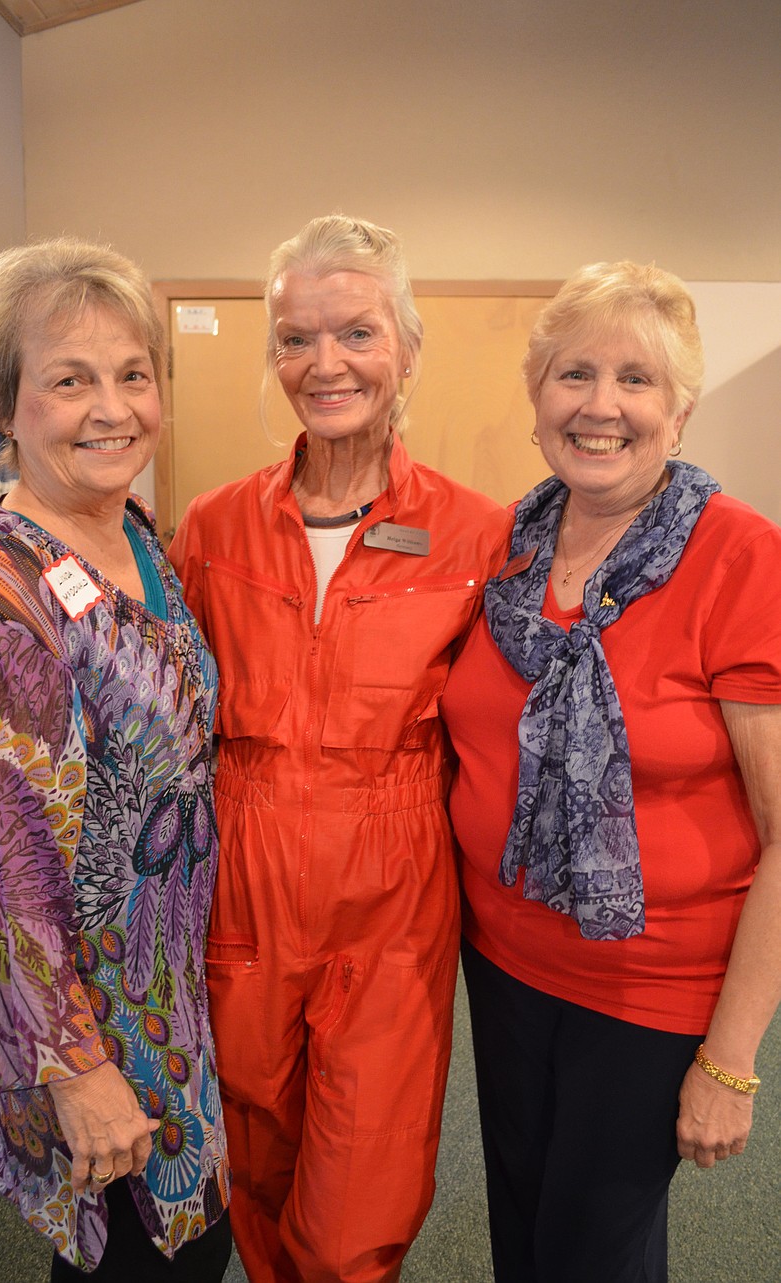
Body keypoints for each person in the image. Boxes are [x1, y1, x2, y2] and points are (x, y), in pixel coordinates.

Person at [169, 214, 511, 1283]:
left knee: (362, 1194)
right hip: (239, 885)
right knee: (252, 1165)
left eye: (356, 332)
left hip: (393, 900)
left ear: (406, 345)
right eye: (295, 338)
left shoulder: (475, 534)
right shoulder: (211, 528)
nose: (326, 365)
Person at [441, 260, 781, 1282]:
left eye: (636, 381)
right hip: (501, 963)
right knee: (525, 1226)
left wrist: (730, 1059)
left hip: (652, 985)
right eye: (573, 373)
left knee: (591, 1251)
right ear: (537, 393)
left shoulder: (738, 556)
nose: (600, 405)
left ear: (679, 412)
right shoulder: (505, 544)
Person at [0, 238, 232, 1279]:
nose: (112, 407)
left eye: (132, 374)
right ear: (9, 407)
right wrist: (76, 1071)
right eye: (70, 379)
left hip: (174, 994)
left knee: (191, 1250)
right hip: (96, 1025)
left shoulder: (135, 530)